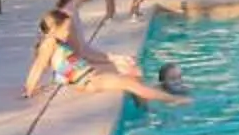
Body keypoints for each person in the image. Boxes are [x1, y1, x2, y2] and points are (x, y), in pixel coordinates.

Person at [25, 7, 188, 104]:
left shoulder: (56, 41)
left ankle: (144, 104)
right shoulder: (49, 43)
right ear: (53, 29)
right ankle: (175, 101)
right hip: (89, 81)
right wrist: (29, 89)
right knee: (130, 84)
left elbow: (65, 65)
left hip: (89, 73)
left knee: (132, 72)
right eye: (66, 29)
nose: (69, 33)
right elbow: (38, 67)